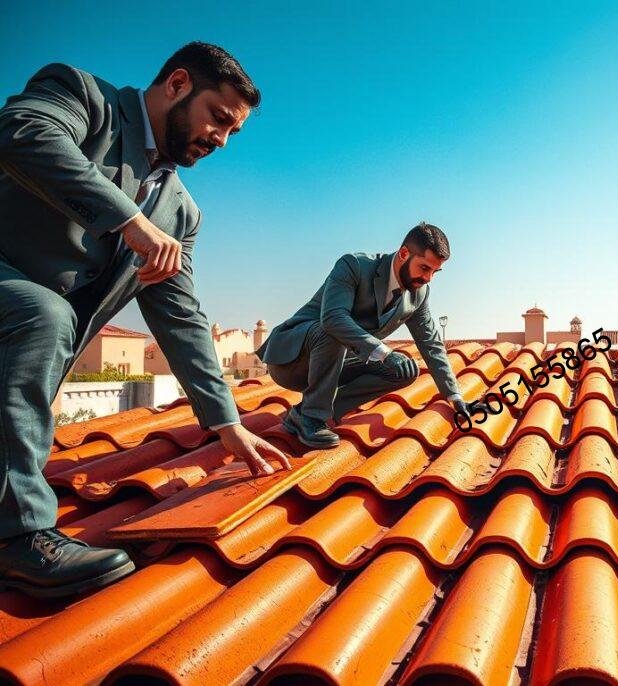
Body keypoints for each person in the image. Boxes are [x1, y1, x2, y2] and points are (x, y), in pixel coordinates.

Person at [0, 43, 291, 597]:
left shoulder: (181, 212)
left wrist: (226, 425)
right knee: (45, 311)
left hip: (26, 355)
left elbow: (181, 316)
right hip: (20, 311)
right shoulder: (83, 96)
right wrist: (128, 220)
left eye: (234, 133)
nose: (222, 140)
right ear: (178, 84)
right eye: (219, 119)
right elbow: (21, 133)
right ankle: (18, 537)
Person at [258, 222, 471, 448]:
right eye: (424, 268)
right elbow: (332, 318)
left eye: (435, 272)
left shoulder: (418, 294)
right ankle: (312, 416)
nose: (428, 279)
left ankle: (311, 412)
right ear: (404, 253)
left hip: (338, 365)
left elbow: (431, 344)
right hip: (293, 361)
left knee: (406, 370)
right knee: (334, 329)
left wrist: (455, 397)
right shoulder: (354, 265)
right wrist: (385, 353)